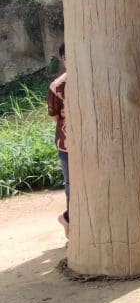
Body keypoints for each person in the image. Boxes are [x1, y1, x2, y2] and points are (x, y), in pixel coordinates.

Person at [47, 43, 69, 238]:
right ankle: (70, 222)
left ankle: (68, 220)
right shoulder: (57, 86)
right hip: (67, 145)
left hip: (89, 144)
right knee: (72, 185)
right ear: (63, 59)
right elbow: (54, 116)